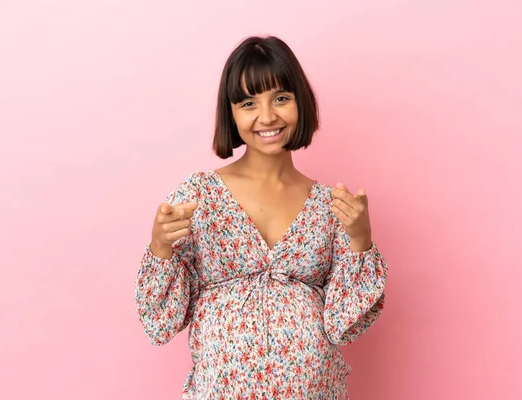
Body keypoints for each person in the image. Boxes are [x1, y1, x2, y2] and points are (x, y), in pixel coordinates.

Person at [134, 35, 388, 399]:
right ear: (231, 112)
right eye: (249, 102)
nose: (267, 116)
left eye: (281, 98)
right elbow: (160, 321)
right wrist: (160, 246)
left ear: (301, 101)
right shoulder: (200, 195)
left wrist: (361, 240)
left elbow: (345, 324)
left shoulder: (329, 205)